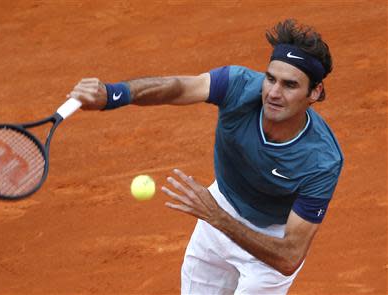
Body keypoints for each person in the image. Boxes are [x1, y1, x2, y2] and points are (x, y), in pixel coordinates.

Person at [68, 19, 343, 295]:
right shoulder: (239, 86)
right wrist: (114, 94)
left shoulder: (322, 160)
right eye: (270, 78)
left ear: (315, 92)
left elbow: (289, 257)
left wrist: (216, 216)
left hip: (270, 244)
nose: (273, 93)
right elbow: (179, 87)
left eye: (289, 85)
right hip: (218, 213)